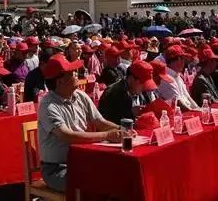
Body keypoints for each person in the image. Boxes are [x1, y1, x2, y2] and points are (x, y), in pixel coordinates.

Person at [37, 53, 122, 192]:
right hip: (57, 168)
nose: (76, 74)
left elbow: (100, 122)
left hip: (82, 160)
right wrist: (107, 135)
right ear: (60, 81)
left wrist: (122, 129)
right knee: (95, 182)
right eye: (71, 73)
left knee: (116, 173)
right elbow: (67, 136)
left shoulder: (80, 96)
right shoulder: (48, 105)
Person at [98, 60, 158, 125]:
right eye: (142, 83)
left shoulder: (139, 91)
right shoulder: (112, 94)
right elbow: (106, 123)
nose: (145, 87)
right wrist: (130, 113)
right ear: (131, 79)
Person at [156, 46, 198, 111]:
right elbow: (178, 104)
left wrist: (198, 109)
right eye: (182, 59)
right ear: (176, 60)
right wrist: (195, 112)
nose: (184, 62)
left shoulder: (178, 76)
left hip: (188, 111)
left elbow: (188, 97)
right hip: (180, 114)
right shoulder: (166, 79)